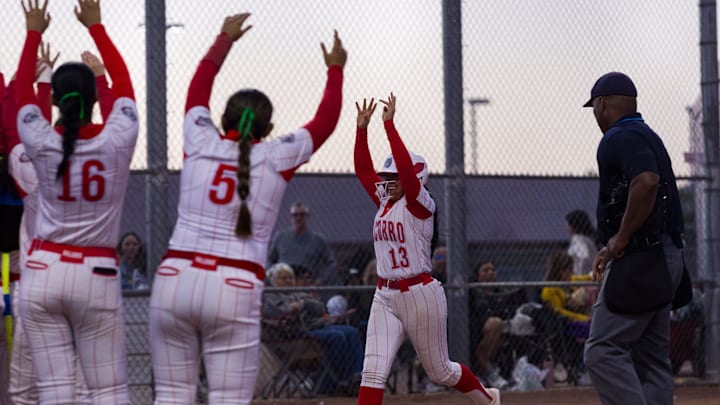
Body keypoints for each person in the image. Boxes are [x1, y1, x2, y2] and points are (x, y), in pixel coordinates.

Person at [148, 11, 347, 404]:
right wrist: (335, 71)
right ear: (268, 130)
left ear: (222, 119)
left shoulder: (200, 139)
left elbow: (197, 89)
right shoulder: (277, 156)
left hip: (175, 278)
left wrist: (223, 39)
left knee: (171, 396)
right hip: (233, 285)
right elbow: (324, 121)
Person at [15, 0, 139, 402]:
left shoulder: (40, 139)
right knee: (106, 391)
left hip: (42, 269)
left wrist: (33, 33)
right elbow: (124, 89)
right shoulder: (117, 137)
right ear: (94, 99)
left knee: (55, 391)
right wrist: (97, 29)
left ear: (55, 103)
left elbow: (21, 96)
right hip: (95, 273)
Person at [353, 95, 500, 405]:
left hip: (420, 294)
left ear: (416, 179)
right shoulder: (385, 201)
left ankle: (487, 400)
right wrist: (361, 131)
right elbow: (365, 172)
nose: (387, 181)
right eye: (387, 177)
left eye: (393, 178)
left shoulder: (421, 204)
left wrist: (390, 126)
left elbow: (405, 170)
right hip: (385, 295)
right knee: (372, 373)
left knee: (440, 372)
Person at [4, 45, 110, 405]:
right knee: (85, 390)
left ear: (54, 106)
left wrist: (34, 80)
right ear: (93, 99)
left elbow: (18, 129)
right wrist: (103, 79)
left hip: (40, 280)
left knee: (25, 391)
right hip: (92, 281)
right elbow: (119, 119)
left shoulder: (31, 160)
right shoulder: (112, 150)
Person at [582, 71, 687, 404]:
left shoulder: (618, 137)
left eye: (594, 108)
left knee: (602, 351)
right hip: (668, 257)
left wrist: (620, 239)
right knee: (650, 359)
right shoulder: (649, 135)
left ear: (601, 104)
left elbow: (646, 181)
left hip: (642, 259)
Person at [262, 263, 364, 395]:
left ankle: (356, 377)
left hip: (312, 327)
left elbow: (320, 309)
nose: (288, 281)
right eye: (283, 278)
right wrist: (295, 308)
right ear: (273, 281)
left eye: (290, 278)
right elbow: (280, 312)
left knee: (351, 332)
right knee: (337, 336)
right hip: (292, 336)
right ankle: (329, 384)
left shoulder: (298, 293)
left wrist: (304, 304)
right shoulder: (270, 296)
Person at [470, 259, 526, 389]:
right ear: (477, 275)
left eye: (492, 270)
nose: (490, 273)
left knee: (501, 325)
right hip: (474, 327)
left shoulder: (500, 291)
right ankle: (487, 371)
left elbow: (508, 312)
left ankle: (485, 371)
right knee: (495, 324)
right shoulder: (472, 291)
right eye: (486, 270)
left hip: (498, 328)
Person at [267, 202, 338, 286]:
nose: (298, 218)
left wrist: (320, 281)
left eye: (302, 215)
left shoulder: (318, 240)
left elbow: (331, 263)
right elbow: (270, 260)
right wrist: (274, 278)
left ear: (308, 216)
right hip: (284, 287)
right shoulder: (280, 237)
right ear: (290, 217)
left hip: (307, 286)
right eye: (295, 215)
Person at [564, 209, 598, 276]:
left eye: (568, 225)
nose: (567, 228)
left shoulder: (578, 239)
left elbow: (583, 258)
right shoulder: (588, 239)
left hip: (581, 278)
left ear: (573, 225)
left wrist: (579, 275)